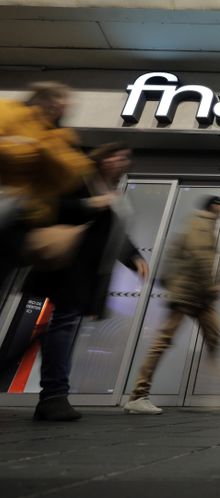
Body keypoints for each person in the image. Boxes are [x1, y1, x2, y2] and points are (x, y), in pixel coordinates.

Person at [21, 142, 148, 421]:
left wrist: (134, 257)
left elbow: (115, 234)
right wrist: (90, 203)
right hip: (67, 267)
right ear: (101, 159)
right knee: (63, 326)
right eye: (114, 155)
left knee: (64, 327)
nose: (120, 161)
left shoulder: (114, 193)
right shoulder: (81, 181)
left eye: (124, 157)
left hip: (86, 274)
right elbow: (51, 207)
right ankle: (53, 396)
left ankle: (53, 394)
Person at [124, 196, 220, 415]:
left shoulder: (204, 225)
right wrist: (213, 285)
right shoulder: (201, 223)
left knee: (214, 337)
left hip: (197, 295)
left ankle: (219, 392)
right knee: (163, 342)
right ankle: (138, 395)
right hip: (188, 294)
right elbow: (201, 257)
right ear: (214, 207)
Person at [0, 81, 95, 287]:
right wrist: (35, 152)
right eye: (52, 101)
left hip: (24, 218)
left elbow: (70, 176)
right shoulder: (8, 110)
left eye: (62, 106)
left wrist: (31, 147)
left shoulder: (59, 137)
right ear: (39, 97)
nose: (56, 109)